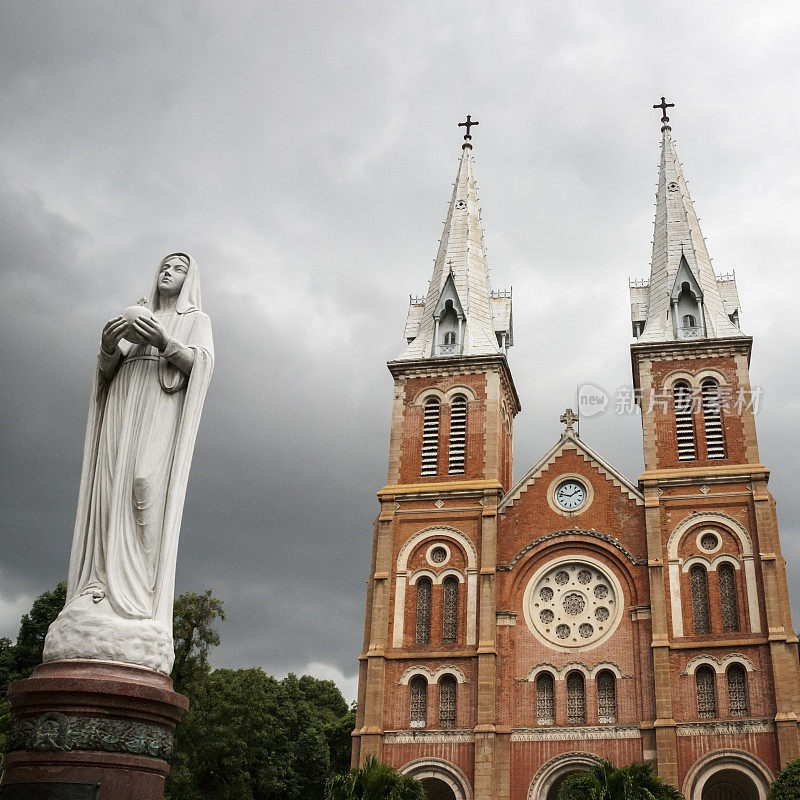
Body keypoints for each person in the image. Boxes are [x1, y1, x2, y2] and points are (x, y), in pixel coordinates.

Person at [43, 253, 214, 674]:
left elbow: (202, 364)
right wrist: (107, 345)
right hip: (123, 403)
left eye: (178, 266)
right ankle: (96, 586)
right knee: (111, 489)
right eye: (164, 264)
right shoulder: (133, 314)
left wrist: (163, 342)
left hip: (159, 406)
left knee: (143, 486)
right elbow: (105, 371)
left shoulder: (196, 319)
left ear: (190, 278)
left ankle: (137, 599)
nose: (167, 270)